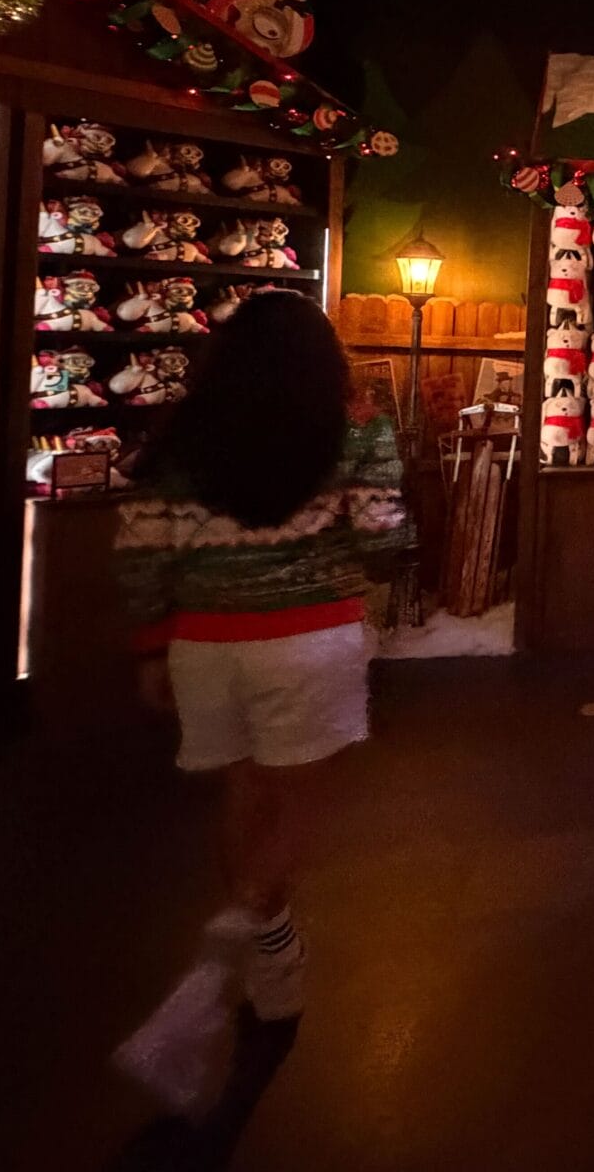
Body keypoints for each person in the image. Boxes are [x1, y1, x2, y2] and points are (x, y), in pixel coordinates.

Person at [111, 290, 412, 1041]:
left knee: (243, 790)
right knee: (305, 800)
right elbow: (380, 538)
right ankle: (242, 922)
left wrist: (150, 644)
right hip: (310, 634)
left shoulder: (184, 436)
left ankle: (272, 964)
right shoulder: (355, 430)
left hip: (203, 643)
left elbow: (142, 549)